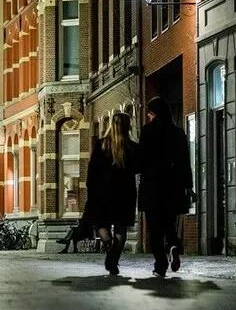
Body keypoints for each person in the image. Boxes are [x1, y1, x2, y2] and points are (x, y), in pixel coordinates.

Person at [138, 97, 195, 277]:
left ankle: (160, 265)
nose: (148, 115)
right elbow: (186, 162)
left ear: (155, 113)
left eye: (150, 112)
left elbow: (142, 159)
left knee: (155, 229)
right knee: (169, 223)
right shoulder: (178, 133)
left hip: (152, 186)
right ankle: (173, 246)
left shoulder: (147, 132)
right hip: (173, 186)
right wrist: (188, 186)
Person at [83, 112, 139, 275]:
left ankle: (108, 246)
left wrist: (91, 190)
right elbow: (139, 167)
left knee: (101, 224)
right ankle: (113, 258)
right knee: (121, 229)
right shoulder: (132, 147)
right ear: (128, 126)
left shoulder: (101, 145)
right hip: (125, 194)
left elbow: (92, 171)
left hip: (103, 193)